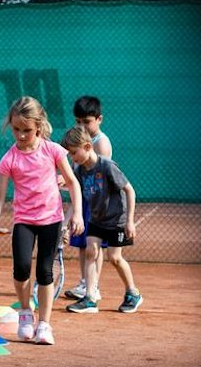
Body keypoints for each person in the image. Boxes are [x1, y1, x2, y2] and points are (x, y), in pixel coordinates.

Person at [0, 96, 81, 346]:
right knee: (22, 268)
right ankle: (26, 313)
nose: (21, 135)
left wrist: (77, 213)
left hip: (51, 220)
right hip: (24, 220)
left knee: (45, 272)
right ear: (10, 125)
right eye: (16, 129)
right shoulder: (9, 158)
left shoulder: (53, 151)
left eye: (26, 130)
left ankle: (44, 325)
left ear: (38, 126)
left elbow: (72, 183)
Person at [60, 126, 143, 314]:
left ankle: (133, 293)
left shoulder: (107, 166)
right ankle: (89, 298)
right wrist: (69, 221)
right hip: (97, 220)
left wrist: (130, 221)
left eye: (74, 153)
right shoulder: (80, 170)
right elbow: (77, 196)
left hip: (117, 221)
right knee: (91, 252)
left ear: (88, 146)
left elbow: (129, 190)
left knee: (114, 258)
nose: (72, 158)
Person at [65, 94, 113, 303]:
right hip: (83, 199)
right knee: (82, 245)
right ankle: (85, 282)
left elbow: (100, 176)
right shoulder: (78, 142)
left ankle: (94, 287)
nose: (82, 125)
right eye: (78, 122)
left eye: (87, 121)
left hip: (97, 203)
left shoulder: (101, 144)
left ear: (99, 119)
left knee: (95, 246)